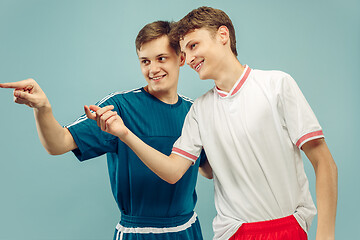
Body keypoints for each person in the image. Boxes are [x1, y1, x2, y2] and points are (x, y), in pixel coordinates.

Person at [83, 7, 338, 240]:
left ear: (223, 35)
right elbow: (173, 171)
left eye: (194, 46)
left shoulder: (277, 85)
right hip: (232, 233)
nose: (190, 58)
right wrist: (125, 133)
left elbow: (323, 161)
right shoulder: (199, 110)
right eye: (184, 52)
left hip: (287, 227)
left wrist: (325, 236)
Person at [0, 21, 210, 240]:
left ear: (182, 59)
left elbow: (208, 169)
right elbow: (58, 143)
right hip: (137, 233)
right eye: (145, 61)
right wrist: (43, 108)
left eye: (161, 58)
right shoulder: (119, 107)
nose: (153, 69)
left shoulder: (194, 112)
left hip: (187, 231)